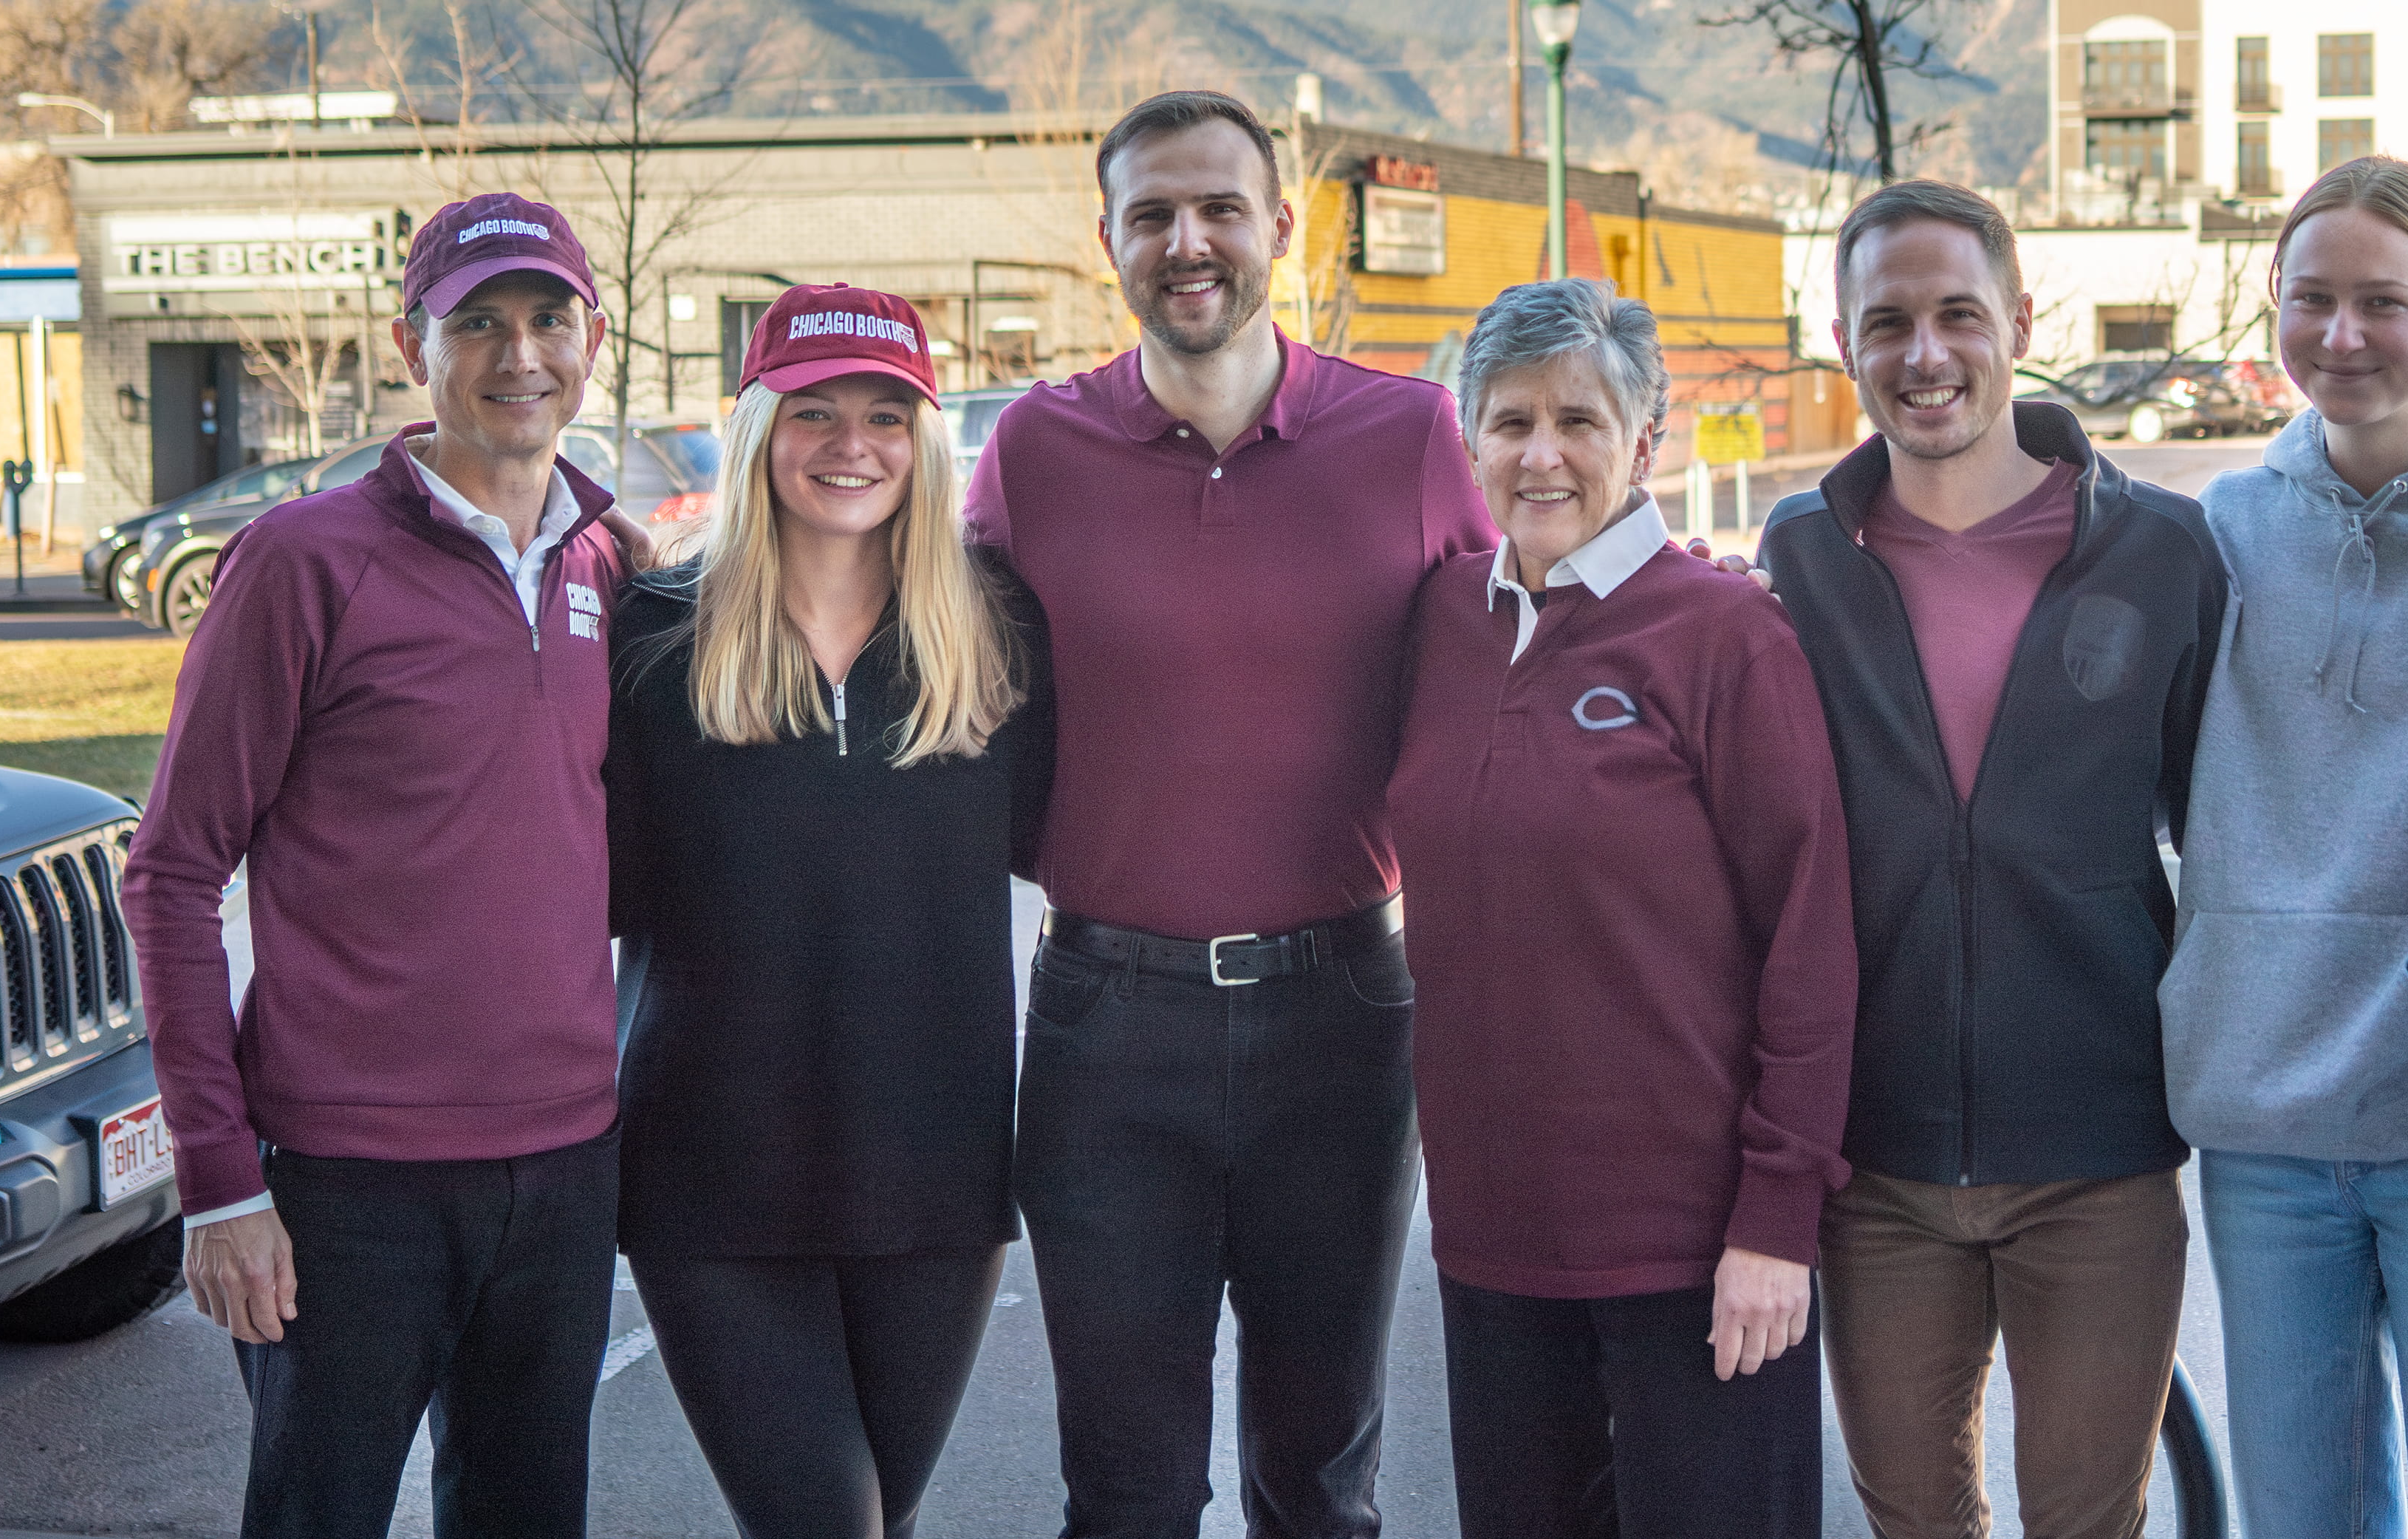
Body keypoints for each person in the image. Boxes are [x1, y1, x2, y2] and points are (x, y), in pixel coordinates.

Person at [962, 89, 1495, 1539]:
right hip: (1105, 1023)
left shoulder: (1413, 436)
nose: (1186, 242)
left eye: (1216, 209)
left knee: (1320, 1486)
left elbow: (1528, 651)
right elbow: (937, 680)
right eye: (1152, 216)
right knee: (1126, 1493)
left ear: (1281, 226)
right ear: (1109, 244)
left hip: (1340, 1017)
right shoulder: (1034, 451)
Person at [123, 193, 637, 1539]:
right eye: (478, 323)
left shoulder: (610, 566)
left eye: (549, 319)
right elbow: (173, 872)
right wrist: (221, 1183)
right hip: (345, 1184)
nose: (519, 355)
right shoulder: (303, 563)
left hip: (568, 1165)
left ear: (596, 342)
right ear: (415, 346)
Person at [1757, 179, 2228, 1539]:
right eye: (1886, 322)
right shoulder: (1803, 554)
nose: (1925, 355)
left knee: (2088, 1523)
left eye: (1959, 313)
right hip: (1882, 1162)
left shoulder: (2163, 551)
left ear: (2022, 320)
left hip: (2099, 1157)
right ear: (1844, 343)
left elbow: (2225, 827)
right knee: (1916, 1520)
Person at [1387, 279, 1857, 1539]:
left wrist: (1778, 1218)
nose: (1543, 454)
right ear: (1472, 441)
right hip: (1493, 1241)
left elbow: (1809, 946)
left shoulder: (1724, 635)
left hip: (1696, 1250)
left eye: (1582, 421)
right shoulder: (1439, 625)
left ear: (1646, 442)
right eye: (1511, 420)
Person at [2158, 155, 2408, 1539]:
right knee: (2304, 1518)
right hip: (2264, 1117)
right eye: (2310, 299)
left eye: (2381, 303)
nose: (2341, 337)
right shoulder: (2221, 532)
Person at [603, 284, 1049, 1539]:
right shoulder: (656, 636)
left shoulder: (995, 630)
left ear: (927, 439)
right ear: (756, 430)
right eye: (813, 412)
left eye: (885, 414)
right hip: (714, 1181)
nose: (852, 444)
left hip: (937, 1180)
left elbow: (1088, 840)